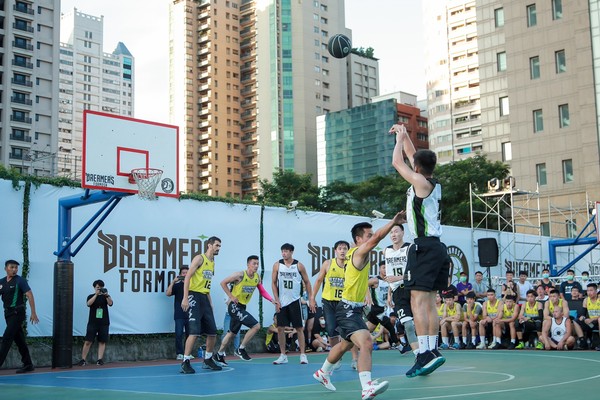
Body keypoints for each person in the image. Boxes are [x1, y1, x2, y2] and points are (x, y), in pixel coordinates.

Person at [313, 214, 406, 399]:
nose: (372, 238)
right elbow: (379, 237)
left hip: (352, 309)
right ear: (358, 240)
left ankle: (323, 372)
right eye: (368, 235)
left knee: (344, 345)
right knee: (367, 343)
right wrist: (393, 223)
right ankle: (367, 387)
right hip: (347, 309)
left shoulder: (352, 253)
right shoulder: (358, 252)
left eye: (371, 234)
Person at [390, 123, 449, 378]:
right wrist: (405, 133)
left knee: (417, 301)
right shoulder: (432, 182)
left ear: (417, 168)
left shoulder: (420, 182)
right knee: (430, 303)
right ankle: (431, 350)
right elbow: (412, 157)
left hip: (423, 247)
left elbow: (397, 164)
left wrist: (399, 139)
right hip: (436, 247)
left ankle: (424, 353)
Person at [214, 255, 276, 365]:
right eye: (254, 263)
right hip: (234, 306)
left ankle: (219, 354)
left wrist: (271, 300)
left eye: (257, 264)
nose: (256, 266)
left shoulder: (257, 277)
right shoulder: (239, 275)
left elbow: (262, 291)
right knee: (256, 326)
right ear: (248, 264)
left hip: (242, 307)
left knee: (232, 333)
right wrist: (231, 296)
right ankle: (241, 349)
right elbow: (223, 283)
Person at [180, 236, 223, 374]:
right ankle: (185, 361)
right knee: (194, 332)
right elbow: (187, 277)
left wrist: (210, 302)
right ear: (209, 245)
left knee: (212, 332)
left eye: (219, 246)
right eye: (217, 245)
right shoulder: (200, 258)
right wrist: (185, 298)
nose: (218, 248)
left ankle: (208, 359)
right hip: (194, 295)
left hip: (204, 297)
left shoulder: (213, 262)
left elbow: (207, 284)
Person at [271, 243, 315, 365]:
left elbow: (307, 282)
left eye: (286, 251)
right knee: (280, 328)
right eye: (282, 251)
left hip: (295, 300)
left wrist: (311, 298)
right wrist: (276, 299)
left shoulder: (299, 266)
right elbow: (273, 283)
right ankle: (283, 355)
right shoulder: (277, 265)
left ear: (291, 252)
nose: (284, 253)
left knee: (299, 328)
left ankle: (303, 354)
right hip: (282, 301)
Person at [385, 223, 418, 355]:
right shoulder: (386, 250)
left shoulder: (410, 248)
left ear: (403, 233)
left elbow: (417, 271)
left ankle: (429, 349)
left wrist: (399, 277)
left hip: (412, 288)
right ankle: (418, 355)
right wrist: (389, 293)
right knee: (408, 325)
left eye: (396, 231)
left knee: (420, 322)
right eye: (391, 232)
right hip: (398, 292)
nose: (393, 234)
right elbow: (389, 276)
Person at [0, 259, 38, 373]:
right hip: (7, 313)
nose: (14, 269)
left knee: (7, 337)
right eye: (12, 267)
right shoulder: (1, 282)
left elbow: (29, 295)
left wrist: (33, 312)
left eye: (16, 267)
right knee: (19, 340)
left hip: (17, 313)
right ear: (6, 268)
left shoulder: (20, 281)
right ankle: (28, 364)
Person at [77, 279, 113, 366]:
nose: (99, 289)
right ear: (94, 288)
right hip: (93, 322)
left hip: (104, 322)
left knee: (102, 341)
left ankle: (100, 359)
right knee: (88, 341)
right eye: (97, 287)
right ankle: (83, 359)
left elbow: (111, 303)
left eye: (100, 287)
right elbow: (88, 304)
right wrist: (96, 295)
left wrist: (107, 295)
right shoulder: (90, 296)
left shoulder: (106, 296)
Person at [366, 262, 399, 346]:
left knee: (366, 330)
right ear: (380, 269)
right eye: (383, 268)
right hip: (376, 309)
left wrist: (390, 299)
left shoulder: (390, 280)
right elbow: (364, 285)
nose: (385, 270)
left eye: (387, 268)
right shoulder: (376, 280)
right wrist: (368, 296)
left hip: (383, 308)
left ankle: (350, 340)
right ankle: (399, 346)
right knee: (390, 327)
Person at [166, 266, 189, 360]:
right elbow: (167, 293)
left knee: (190, 334)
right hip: (179, 314)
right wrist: (173, 282)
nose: (185, 274)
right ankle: (179, 353)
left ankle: (187, 353)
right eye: (183, 273)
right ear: (180, 274)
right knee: (179, 334)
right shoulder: (177, 285)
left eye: (187, 272)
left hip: (191, 313)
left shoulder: (194, 285)